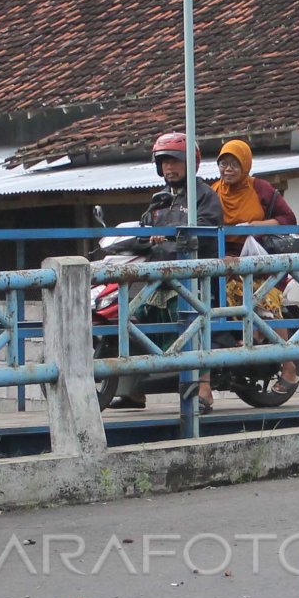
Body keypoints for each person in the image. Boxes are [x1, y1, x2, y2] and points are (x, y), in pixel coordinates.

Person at [109, 131, 224, 413]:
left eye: (175, 161)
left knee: (194, 324)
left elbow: (206, 235)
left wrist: (173, 240)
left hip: (194, 280)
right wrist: (149, 240)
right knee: (131, 322)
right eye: (164, 162)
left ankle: (204, 389)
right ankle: (133, 391)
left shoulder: (205, 198)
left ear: (191, 163)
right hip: (157, 280)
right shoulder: (159, 200)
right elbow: (142, 231)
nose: (169, 168)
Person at [207, 137, 299, 406]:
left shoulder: (261, 189)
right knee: (209, 303)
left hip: (259, 261)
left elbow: (288, 219)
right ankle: (238, 345)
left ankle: (289, 368)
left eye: (234, 164)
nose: (227, 169)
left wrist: (256, 225)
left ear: (246, 164)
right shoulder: (213, 192)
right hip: (226, 262)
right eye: (223, 163)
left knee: (265, 302)